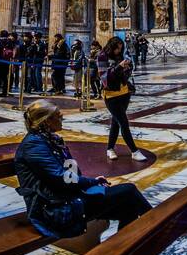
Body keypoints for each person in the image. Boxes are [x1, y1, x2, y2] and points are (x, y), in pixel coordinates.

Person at [14, 100, 152, 238]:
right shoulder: (33, 146)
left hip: (67, 197)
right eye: (58, 115)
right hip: (53, 209)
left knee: (128, 206)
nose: (62, 118)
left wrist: (90, 181)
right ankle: (158, 226)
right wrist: (91, 182)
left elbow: (72, 172)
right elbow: (62, 179)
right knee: (129, 190)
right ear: (46, 121)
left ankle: (121, 249)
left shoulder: (51, 139)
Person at [97, 36, 147, 162]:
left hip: (124, 92)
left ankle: (110, 148)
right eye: (117, 49)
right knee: (123, 122)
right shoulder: (102, 56)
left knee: (116, 121)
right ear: (111, 47)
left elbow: (125, 74)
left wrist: (128, 67)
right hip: (111, 94)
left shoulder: (120, 56)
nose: (119, 51)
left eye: (120, 49)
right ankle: (134, 151)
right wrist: (119, 67)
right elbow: (104, 77)